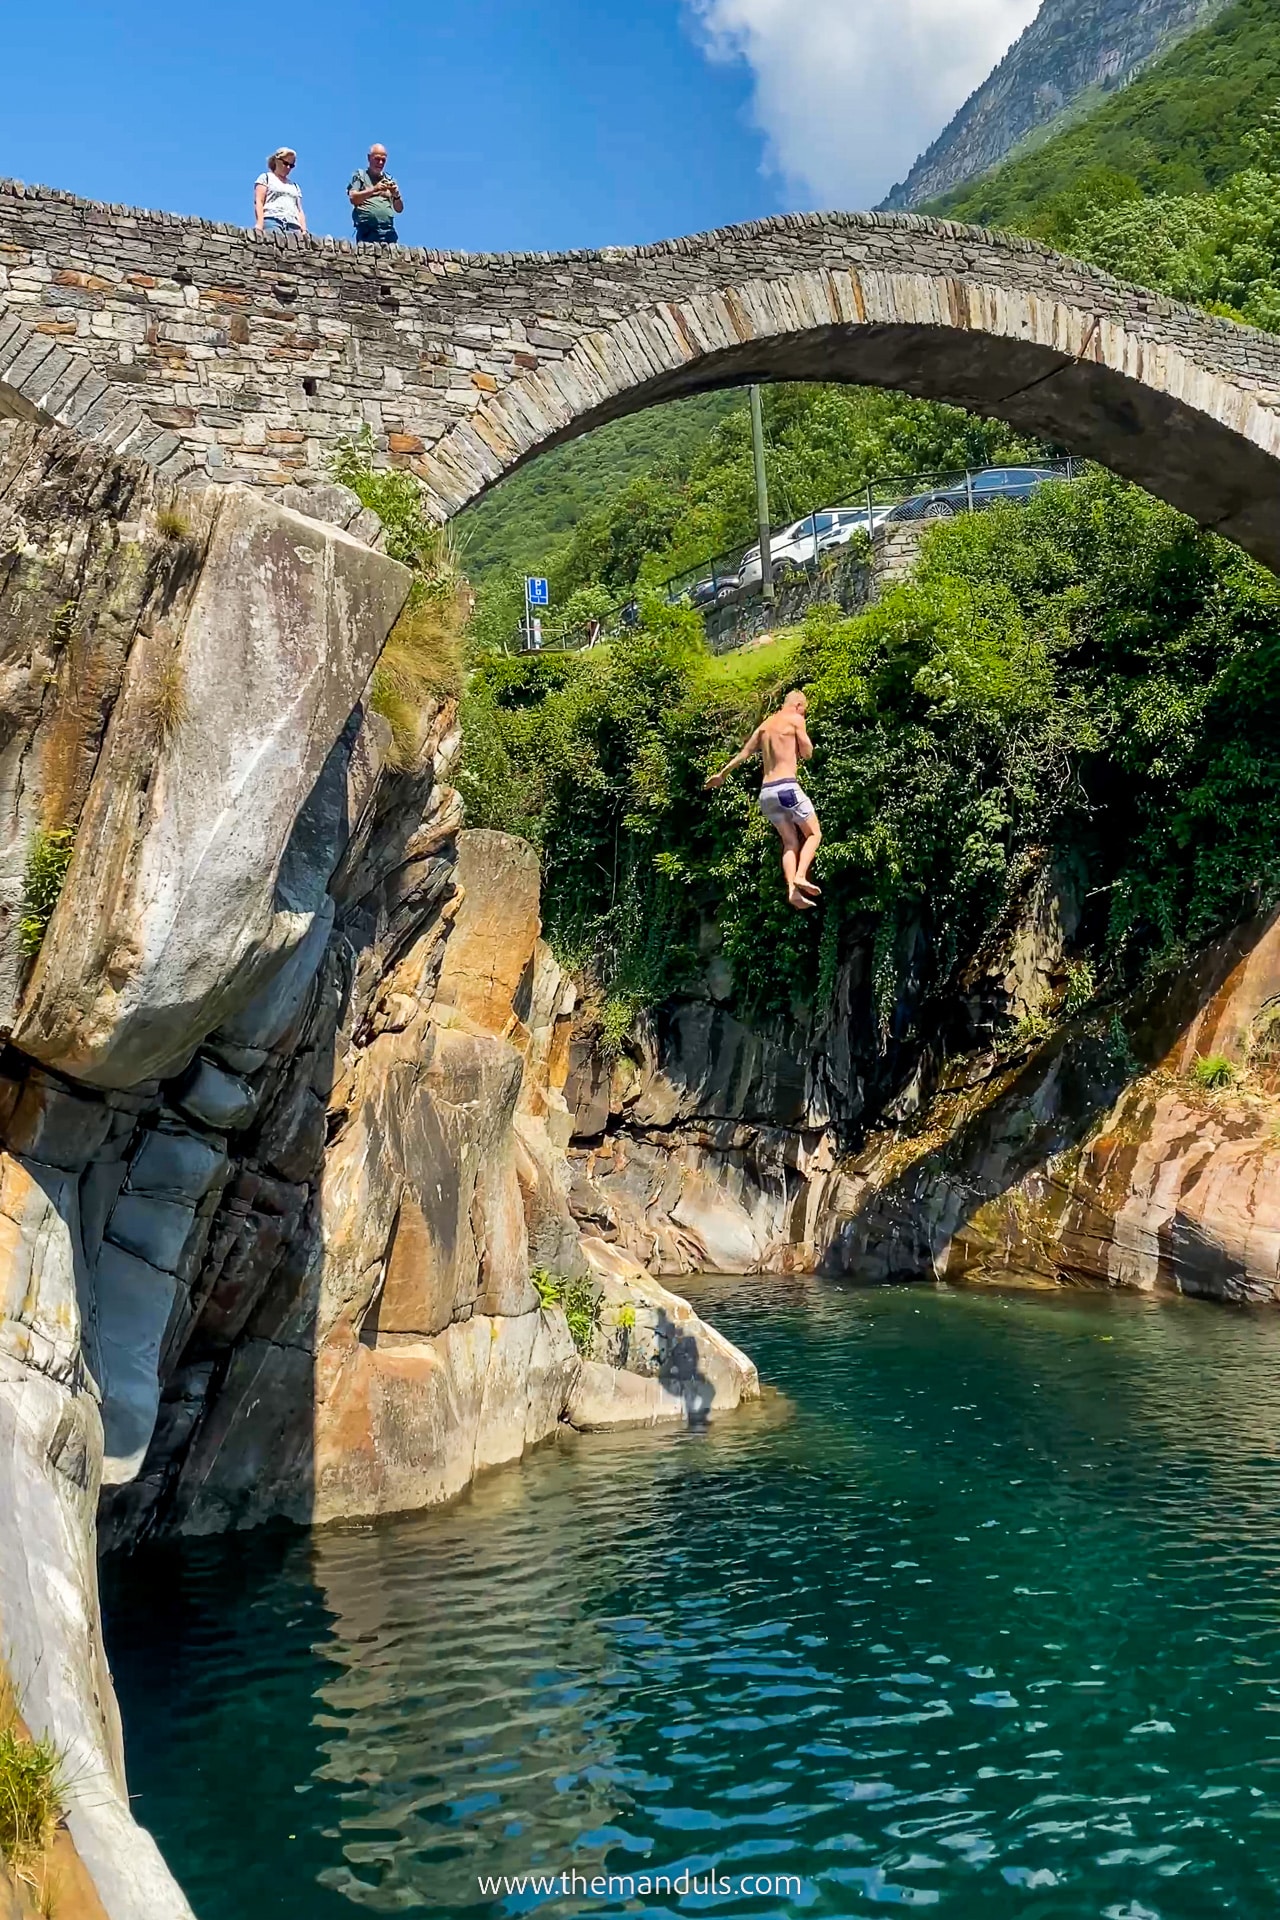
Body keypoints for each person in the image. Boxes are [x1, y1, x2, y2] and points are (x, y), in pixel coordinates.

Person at [705, 690, 822, 911]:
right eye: (804, 710)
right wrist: (802, 744)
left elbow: (744, 753)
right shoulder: (795, 719)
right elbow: (807, 753)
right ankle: (799, 876)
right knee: (814, 834)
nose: (804, 714)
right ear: (798, 705)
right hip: (786, 787)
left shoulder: (766, 725)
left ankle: (792, 891)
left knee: (790, 842)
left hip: (766, 793)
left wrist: (722, 774)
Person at [348, 145, 404, 245]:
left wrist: (396, 195)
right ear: (369, 158)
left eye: (383, 160)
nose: (380, 163)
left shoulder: (389, 179)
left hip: (388, 232)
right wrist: (374, 189)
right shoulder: (360, 175)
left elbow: (399, 209)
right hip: (367, 231)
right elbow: (353, 198)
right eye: (377, 159)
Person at [254, 148, 306, 235]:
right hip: (272, 221)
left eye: (291, 165)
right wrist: (260, 224)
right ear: (277, 161)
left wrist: (304, 229)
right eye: (286, 163)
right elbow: (259, 201)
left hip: (293, 225)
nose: (288, 167)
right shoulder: (266, 178)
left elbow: (299, 209)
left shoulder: (294, 186)